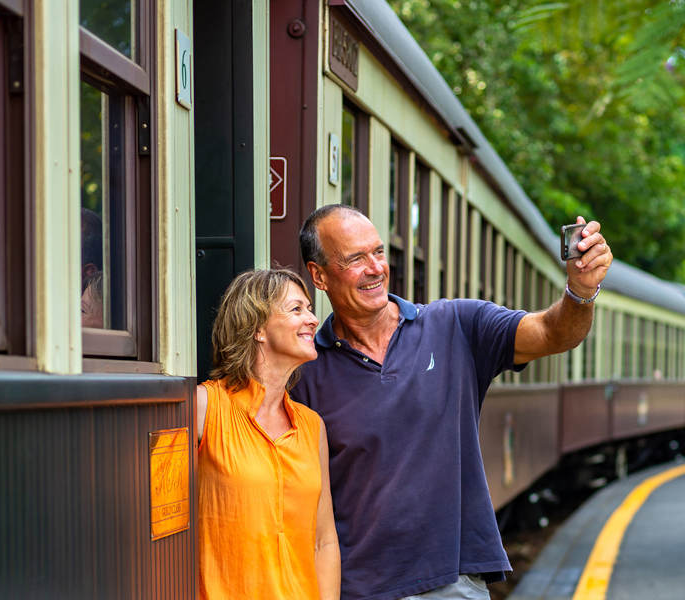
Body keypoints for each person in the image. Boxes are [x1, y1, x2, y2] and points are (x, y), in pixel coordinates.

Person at [291, 205, 612, 600]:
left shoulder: (456, 325)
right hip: (360, 588)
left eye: (377, 252)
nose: (375, 268)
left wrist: (580, 293)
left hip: (452, 583)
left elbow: (552, 333)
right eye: (355, 259)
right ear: (319, 275)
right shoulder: (304, 372)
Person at [196, 269, 340, 600]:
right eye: (297, 309)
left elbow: (324, 540)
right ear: (258, 328)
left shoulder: (311, 426)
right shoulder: (205, 407)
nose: (313, 319)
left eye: (309, 308)